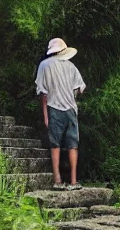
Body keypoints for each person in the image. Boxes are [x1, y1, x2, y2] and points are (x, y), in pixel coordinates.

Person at [35, 37, 86, 191]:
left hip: (54, 108)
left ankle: (57, 179)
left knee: (55, 144)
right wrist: (72, 96)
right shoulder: (71, 66)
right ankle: (73, 181)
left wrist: (45, 115)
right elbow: (81, 88)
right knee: (72, 145)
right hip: (71, 109)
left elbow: (43, 93)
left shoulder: (44, 65)